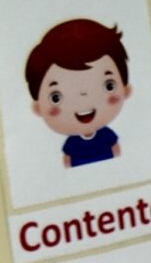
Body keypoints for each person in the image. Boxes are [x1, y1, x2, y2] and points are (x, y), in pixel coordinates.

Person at [23, 18, 131, 169]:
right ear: (38, 108)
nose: (83, 97)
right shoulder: (72, 143)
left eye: (109, 85)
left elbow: (116, 149)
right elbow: (67, 160)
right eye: (56, 97)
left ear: (126, 90)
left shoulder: (106, 134)